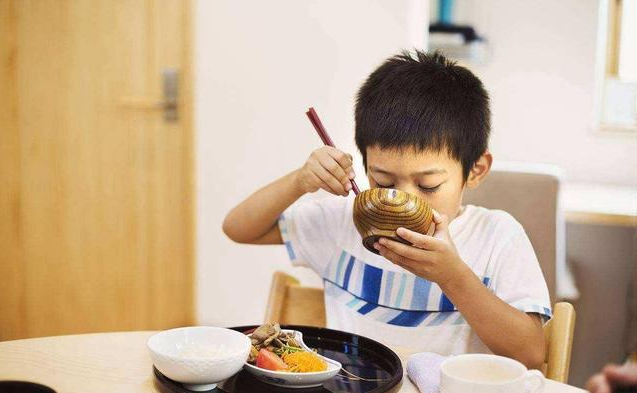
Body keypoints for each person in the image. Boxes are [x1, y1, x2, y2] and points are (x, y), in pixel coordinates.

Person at [223, 50, 550, 368]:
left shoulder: (495, 237)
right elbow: (238, 228)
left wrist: (453, 276)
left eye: (428, 185)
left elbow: (531, 354)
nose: (402, 201)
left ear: (476, 170)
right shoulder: (344, 223)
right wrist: (300, 181)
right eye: (383, 182)